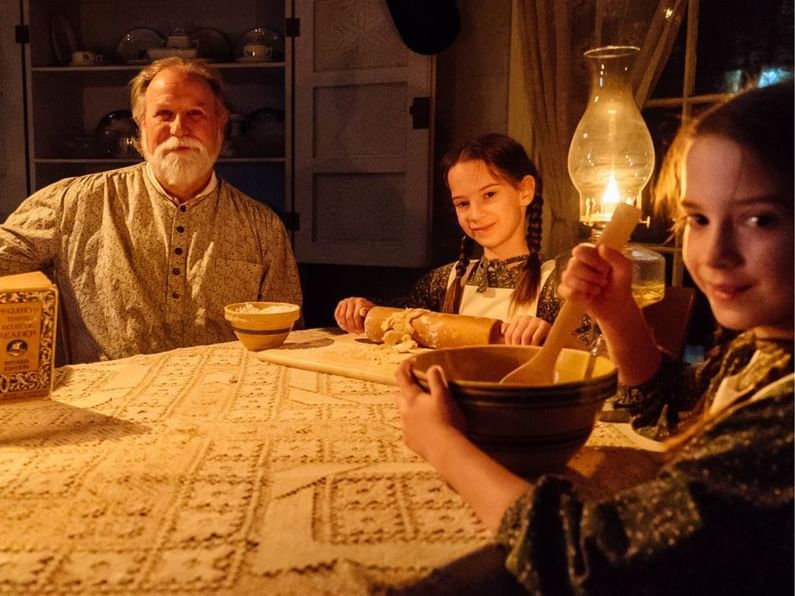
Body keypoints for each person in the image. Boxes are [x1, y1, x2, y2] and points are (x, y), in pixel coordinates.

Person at [395, 81, 793, 593]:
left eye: (761, 219)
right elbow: (671, 413)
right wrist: (617, 310)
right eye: (697, 218)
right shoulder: (763, 346)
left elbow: (584, 559)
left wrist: (442, 445)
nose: (714, 254)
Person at [0, 58, 302, 363]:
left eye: (195, 114)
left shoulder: (262, 226)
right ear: (141, 128)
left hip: (221, 396)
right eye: (164, 114)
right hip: (105, 402)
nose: (179, 128)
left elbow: (286, 338)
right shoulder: (72, 203)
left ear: (220, 126)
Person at [335, 133, 585, 346]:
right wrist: (364, 310)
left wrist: (552, 338)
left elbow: (598, 355)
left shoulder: (557, 286)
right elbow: (401, 322)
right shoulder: (442, 283)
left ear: (525, 191)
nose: (475, 215)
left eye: (489, 195)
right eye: (463, 203)